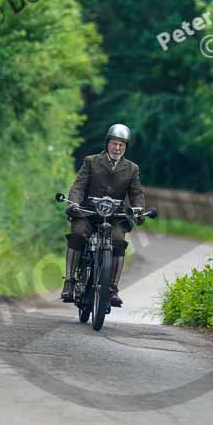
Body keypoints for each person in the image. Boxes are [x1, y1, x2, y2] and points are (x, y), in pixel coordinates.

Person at [61, 123, 145, 307]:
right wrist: (74, 203)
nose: (117, 148)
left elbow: (136, 193)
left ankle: (112, 288)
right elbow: (78, 186)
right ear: (107, 144)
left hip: (115, 216)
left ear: (126, 147)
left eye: (121, 145)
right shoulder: (91, 161)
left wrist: (139, 210)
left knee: (118, 242)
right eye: (114, 143)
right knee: (77, 235)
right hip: (88, 212)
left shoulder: (132, 169)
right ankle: (69, 282)